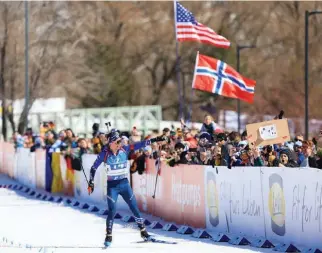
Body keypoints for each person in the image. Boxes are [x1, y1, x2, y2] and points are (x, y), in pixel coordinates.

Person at [87, 129, 166, 247]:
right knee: (112, 210)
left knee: (134, 208)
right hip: (112, 187)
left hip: (124, 185)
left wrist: (155, 139)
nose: (120, 143)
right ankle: (108, 235)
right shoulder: (105, 154)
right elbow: (93, 168)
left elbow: (141, 144)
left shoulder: (125, 149)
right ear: (111, 143)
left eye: (120, 141)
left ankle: (143, 231)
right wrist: (91, 182)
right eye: (117, 141)